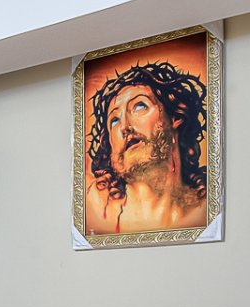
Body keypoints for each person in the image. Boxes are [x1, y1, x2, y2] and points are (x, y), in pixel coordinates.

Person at [85, 61, 209, 233]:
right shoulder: (95, 206)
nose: (124, 127)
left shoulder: (205, 208)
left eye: (139, 106)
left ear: (175, 117)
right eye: (114, 120)